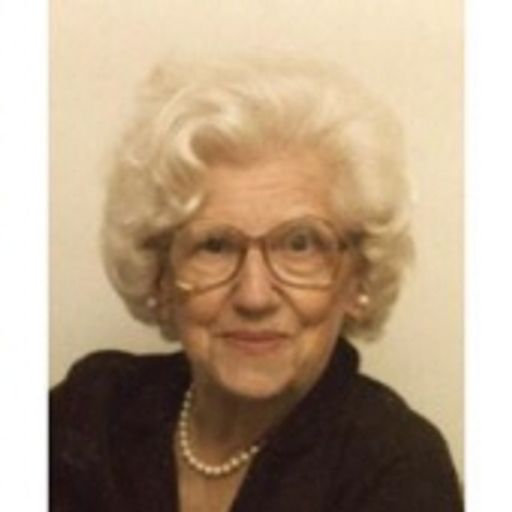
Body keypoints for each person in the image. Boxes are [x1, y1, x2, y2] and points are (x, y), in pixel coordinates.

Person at [50, 56, 463, 511]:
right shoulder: (92, 412)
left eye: (301, 244)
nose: (254, 295)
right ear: (161, 277)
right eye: (214, 246)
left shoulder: (398, 468)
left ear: (356, 279)